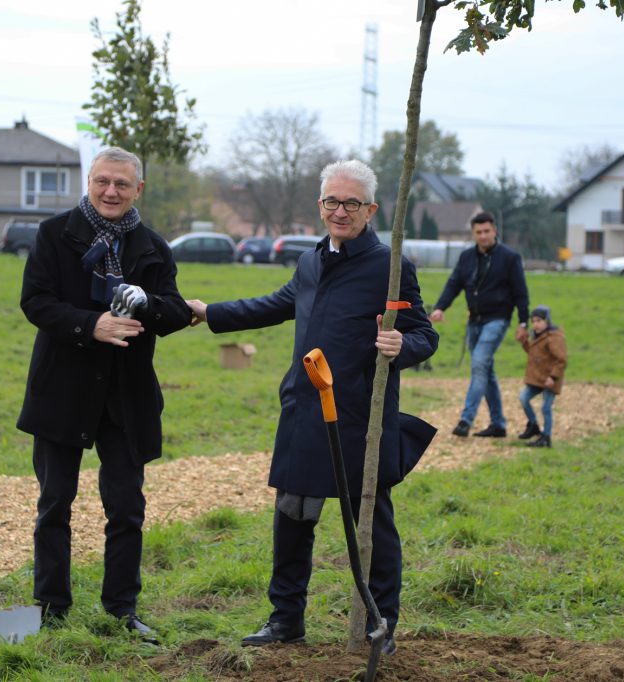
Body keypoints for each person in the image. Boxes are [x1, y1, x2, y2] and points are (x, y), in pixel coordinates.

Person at [187, 160, 438, 655]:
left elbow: (424, 333)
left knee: (371, 527)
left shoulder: (391, 267)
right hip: (305, 409)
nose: (339, 211)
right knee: (292, 518)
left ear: (370, 209)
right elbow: (276, 304)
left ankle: (378, 626)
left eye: (350, 203)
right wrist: (210, 313)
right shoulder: (309, 260)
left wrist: (400, 347)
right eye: (331, 201)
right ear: (319, 205)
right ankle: (286, 621)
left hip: (359, 419)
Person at [16, 147, 191, 639]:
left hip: (125, 397)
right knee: (54, 504)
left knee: (127, 508)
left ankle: (122, 611)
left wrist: (147, 302)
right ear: (88, 182)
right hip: (62, 391)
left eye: (121, 184)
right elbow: (36, 301)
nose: (110, 192)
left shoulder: (153, 246)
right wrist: (89, 324)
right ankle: (51, 610)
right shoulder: (55, 234)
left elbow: (176, 311)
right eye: (102, 182)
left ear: (139, 190)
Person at [429, 212, 529, 438]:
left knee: (479, 365)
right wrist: (440, 307)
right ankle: (498, 424)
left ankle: (466, 420)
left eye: (487, 231)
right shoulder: (466, 257)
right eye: (478, 232)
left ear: (494, 231)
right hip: (473, 320)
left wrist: (523, 322)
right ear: (473, 234)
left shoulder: (510, 257)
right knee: (486, 370)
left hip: (498, 319)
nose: (483, 236)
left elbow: (521, 293)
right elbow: (454, 284)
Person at [517, 305, 567, 448]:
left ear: (547, 321)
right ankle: (533, 425)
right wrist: (524, 343)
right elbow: (536, 354)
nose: (536, 324)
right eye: (533, 321)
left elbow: (562, 359)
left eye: (539, 320)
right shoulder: (537, 335)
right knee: (523, 398)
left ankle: (546, 437)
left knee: (546, 407)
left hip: (550, 379)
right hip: (538, 379)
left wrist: (553, 377)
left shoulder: (554, 337)